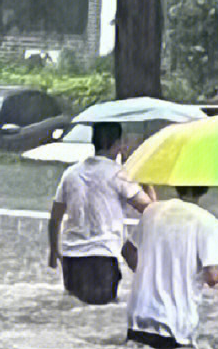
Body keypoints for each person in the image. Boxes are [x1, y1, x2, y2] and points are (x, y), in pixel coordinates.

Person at [123, 186, 218, 348]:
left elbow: (128, 251)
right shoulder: (207, 222)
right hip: (174, 327)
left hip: (138, 318)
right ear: (205, 188)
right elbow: (213, 276)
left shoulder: (153, 212)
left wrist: (150, 270)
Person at [48, 122, 152, 305]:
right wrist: (145, 178)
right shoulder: (118, 174)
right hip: (102, 258)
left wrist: (54, 251)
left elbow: (55, 217)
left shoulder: (71, 173)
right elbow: (150, 209)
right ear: (119, 144)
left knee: (76, 311)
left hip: (71, 259)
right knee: (102, 310)